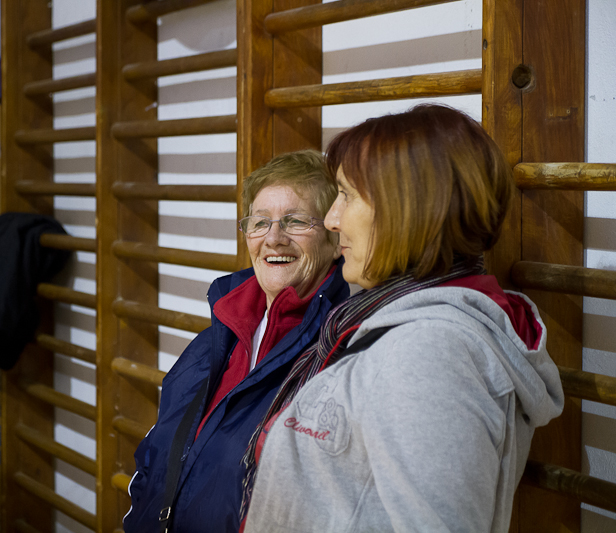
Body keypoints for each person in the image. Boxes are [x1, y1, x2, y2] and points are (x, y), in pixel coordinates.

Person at [242, 105, 564, 532]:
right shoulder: (396, 324)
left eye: (347, 196)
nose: (333, 219)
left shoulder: (430, 355)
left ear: (409, 210)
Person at [123, 150, 350, 532]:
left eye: (295, 221)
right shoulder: (211, 342)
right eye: (260, 223)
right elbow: (155, 458)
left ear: (333, 238)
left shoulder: (343, 353)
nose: (274, 238)